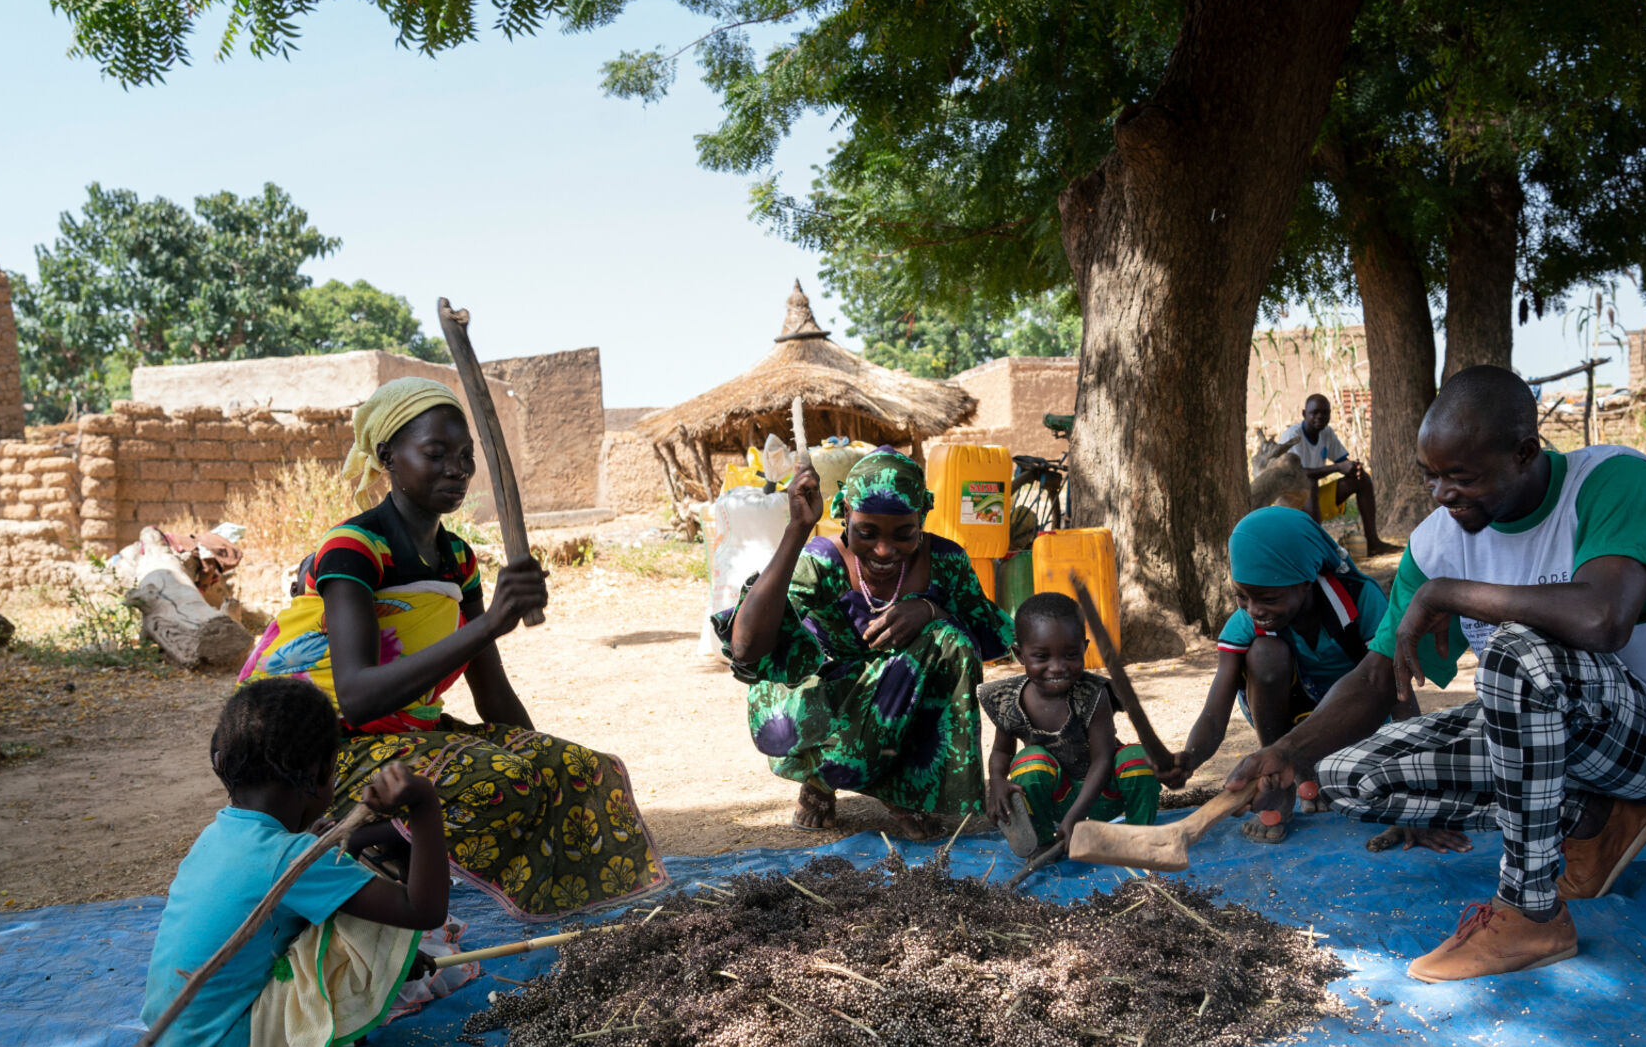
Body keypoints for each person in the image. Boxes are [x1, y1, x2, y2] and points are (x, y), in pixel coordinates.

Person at [1224, 365, 1646, 983]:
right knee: (1351, 776)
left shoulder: (1614, 481)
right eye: (1430, 476)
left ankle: (1530, 914)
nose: (1441, 494)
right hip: (1551, 747)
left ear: (1524, 453)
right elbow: (1380, 676)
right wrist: (1286, 751)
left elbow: (1603, 618)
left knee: (1518, 654)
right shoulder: (1438, 543)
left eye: (1461, 477)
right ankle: (1590, 819)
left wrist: (1451, 595)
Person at [240, 377, 665, 921]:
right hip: (323, 753)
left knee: (580, 768)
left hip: (400, 740)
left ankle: (585, 912)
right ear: (389, 456)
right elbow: (357, 697)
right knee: (501, 783)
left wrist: (544, 760)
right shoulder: (353, 549)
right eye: (436, 454)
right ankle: (359, 840)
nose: (457, 469)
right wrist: (488, 625)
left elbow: (491, 692)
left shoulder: (456, 560)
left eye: (465, 456)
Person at [140, 678, 448, 1047]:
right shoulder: (289, 857)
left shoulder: (220, 834)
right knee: (368, 913)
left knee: (346, 904)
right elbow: (423, 911)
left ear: (222, 762)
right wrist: (423, 805)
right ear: (321, 775)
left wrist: (394, 958)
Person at [716, 447, 1015, 839]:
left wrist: (930, 611)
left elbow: (991, 635)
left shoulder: (944, 560)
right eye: (866, 533)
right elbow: (744, 646)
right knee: (849, 740)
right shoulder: (823, 561)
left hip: (899, 699)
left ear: (922, 518)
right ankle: (823, 778)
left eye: (903, 534)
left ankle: (912, 790)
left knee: (951, 641)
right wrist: (797, 529)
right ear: (844, 517)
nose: (884, 550)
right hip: (830, 704)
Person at [1158, 506, 1414, 842]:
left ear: (1306, 581)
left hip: (1354, 717)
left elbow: (1395, 687)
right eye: (1241, 596)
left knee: (1364, 782)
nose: (1254, 610)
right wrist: (1190, 758)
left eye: (1268, 597)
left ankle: (1308, 770)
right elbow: (1214, 712)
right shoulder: (1247, 623)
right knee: (1265, 654)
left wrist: (1413, 784)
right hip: (1285, 724)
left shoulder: (1358, 601)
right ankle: (1279, 779)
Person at [981, 592, 1159, 856]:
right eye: (1042, 656)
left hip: (1104, 794)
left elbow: (1103, 759)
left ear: (1084, 649)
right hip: (1054, 798)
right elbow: (1001, 752)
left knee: (1138, 758)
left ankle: (1139, 841)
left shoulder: (1093, 694)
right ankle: (1042, 843)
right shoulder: (1009, 700)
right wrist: (996, 782)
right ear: (1020, 654)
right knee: (1029, 761)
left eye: (1070, 655)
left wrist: (1077, 815)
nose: (1057, 667)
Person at [1277, 394, 1397, 555]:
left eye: (1325, 413)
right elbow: (1298, 475)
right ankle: (1317, 550)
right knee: (1309, 482)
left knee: (1362, 480)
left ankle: (1373, 543)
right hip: (1291, 505)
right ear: (1304, 414)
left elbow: (1342, 461)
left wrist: (1353, 467)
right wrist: (1337, 468)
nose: (1320, 416)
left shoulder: (1326, 433)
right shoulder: (1292, 436)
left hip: (1314, 500)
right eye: (1315, 412)